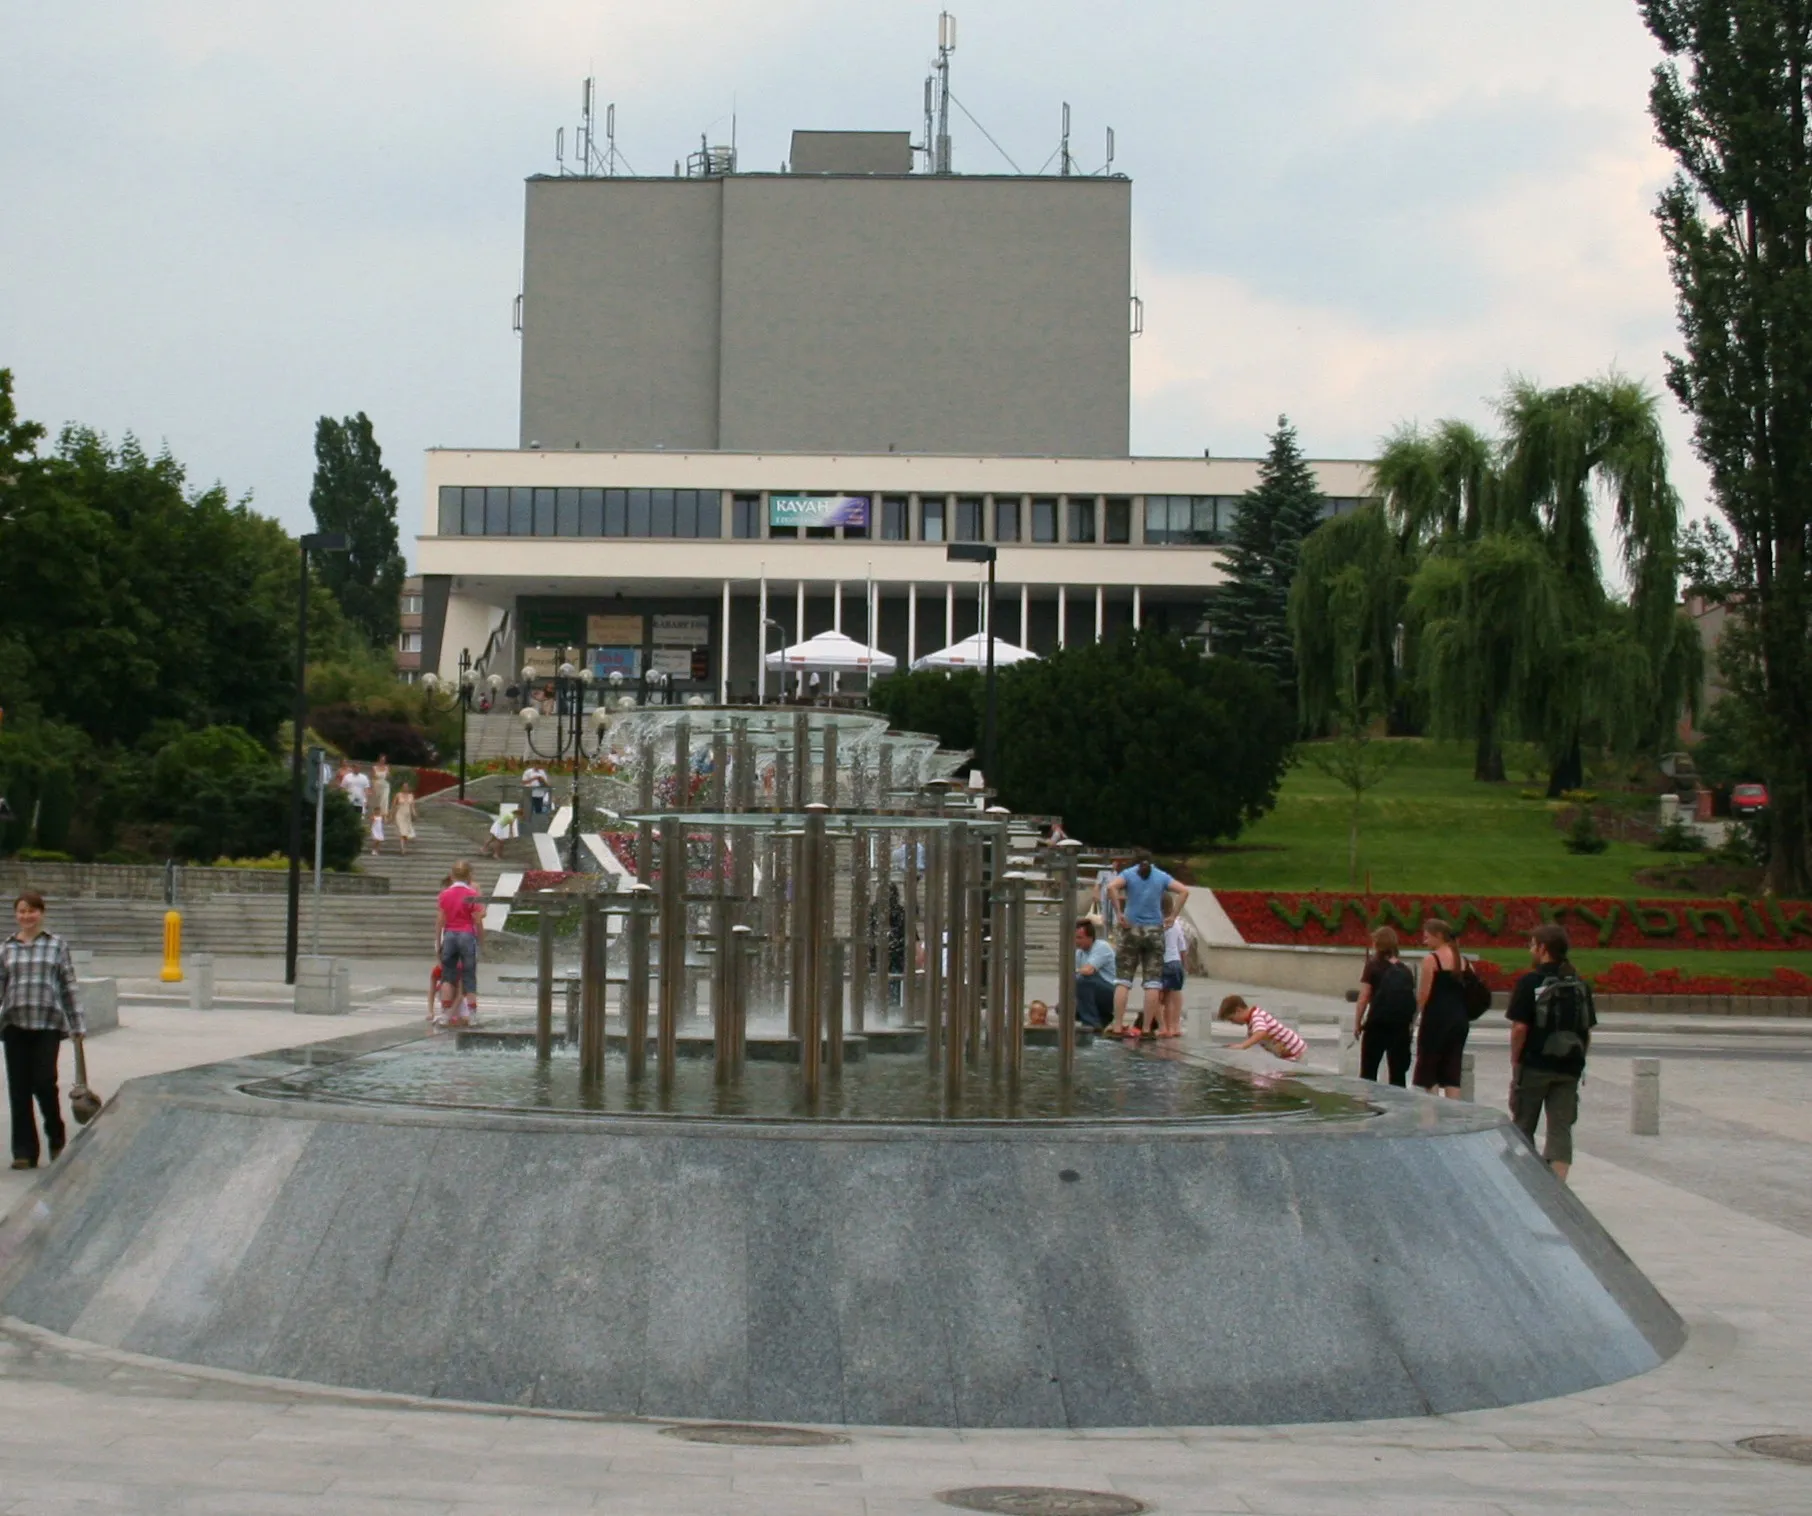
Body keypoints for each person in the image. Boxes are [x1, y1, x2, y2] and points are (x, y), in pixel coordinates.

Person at [0, 890, 86, 1170]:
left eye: (32, 910)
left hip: (48, 1023)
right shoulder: (7, 947)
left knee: (44, 1082)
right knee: (18, 1089)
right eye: (21, 911)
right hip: (15, 1024)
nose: (26, 916)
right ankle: (24, 1151)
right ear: (16, 915)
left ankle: (56, 1137)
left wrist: (77, 1023)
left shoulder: (56, 945)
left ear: (42, 913)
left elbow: (68, 985)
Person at [1506, 923, 1596, 1182]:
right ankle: (1559, 1187)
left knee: (1523, 1124)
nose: (1530, 950)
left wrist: (1516, 1060)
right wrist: (1579, 1061)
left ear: (1543, 949)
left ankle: (1525, 1183)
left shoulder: (1530, 982)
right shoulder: (1579, 984)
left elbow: (1519, 1028)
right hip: (1569, 1067)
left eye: (1532, 945)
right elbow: (1586, 1030)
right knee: (1561, 1129)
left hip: (1535, 1064)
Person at [1105, 849, 1188, 1038]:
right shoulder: (1161, 876)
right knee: (1152, 982)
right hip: (1154, 931)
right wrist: (1173, 916)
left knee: (1123, 980)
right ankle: (1147, 1029)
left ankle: (1117, 1026)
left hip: (1130, 929)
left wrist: (1119, 913)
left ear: (1135, 862)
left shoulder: (1129, 874)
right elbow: (1184, 891)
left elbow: (1111, 887)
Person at [1413, 918, 1472, 1098]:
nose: (1425, 941)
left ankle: (1432, 1117)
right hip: (1459, 1019)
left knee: (1430, 1072)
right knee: (1452, 1072)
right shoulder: (1464, 961)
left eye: (1427, 937)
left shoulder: (1432, 960)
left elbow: (1424, 994)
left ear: (1439, 936)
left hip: (1436, 1019)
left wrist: (1416, 1017)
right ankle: (1453, 1115)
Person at [1355, 926, 1416, 1086]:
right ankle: (1399, 1108)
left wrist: (1358, 1023)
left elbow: (1364, 997)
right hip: (1400, 1027)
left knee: (1368, 1071)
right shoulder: (1405, 970)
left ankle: (1370, 1105)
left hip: (1377, 1023)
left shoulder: (1373, 966)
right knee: (1398, 1074)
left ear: (1377, 944)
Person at [436, 861, 485, 1027]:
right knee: (469, 975)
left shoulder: (444, 894)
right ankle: (472, 1015)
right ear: (469, 876)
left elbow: (440, 920)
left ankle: (445, 1014)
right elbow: (477, 919)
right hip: (467, 934)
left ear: (452, 876)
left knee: (447, 976)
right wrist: (481, 941)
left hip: (449, 934)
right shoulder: (471, 894)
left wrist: (438, 941)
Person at [1217, 995, 1307, 1062]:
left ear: (1238, 1010)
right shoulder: (1252, 1022)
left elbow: (1261, 1032)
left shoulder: (1256, 1016)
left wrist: (1242, 1046)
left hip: (1296, 1051)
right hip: (1288, 1053)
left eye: (1231, 1019)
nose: (1232, 1023)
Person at [1073, 920, 1118, 1031]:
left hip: (1111, 992)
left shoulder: (1101, 947)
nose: (1076, 941)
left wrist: (1076, 971)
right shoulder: (1079, 953)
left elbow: (1088, 971)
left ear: (1090, 937)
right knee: (1062, 1007)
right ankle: (1102, 1019)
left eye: (1079, 938)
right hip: (1095, 991)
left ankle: (1091, 1024)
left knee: (1083, 980)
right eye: (1075, 937)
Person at [1159, 909, 1188, 1039]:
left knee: (1159, 997)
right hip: (1176, 962)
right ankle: (1175, 1027)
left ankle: (1164, 1027)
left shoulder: (1155, 922)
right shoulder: (1176, 923)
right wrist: (1184, 965)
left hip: (1162, 962)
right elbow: (1182, 947)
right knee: (1175, 993)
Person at [392, 783, 418, 855]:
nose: (405, 788)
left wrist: (414, 814)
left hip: (407, 816)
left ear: (408, 788)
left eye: (406, 787)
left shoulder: (411, 796)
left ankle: (404, 847)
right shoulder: (398, 795)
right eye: (404, 787)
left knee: (405, 834)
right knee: (401, 832)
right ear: (402, 788)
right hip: (399, 814)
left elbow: (412, 806)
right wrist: (391, 815)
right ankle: (402, 849)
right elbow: (394, 806)